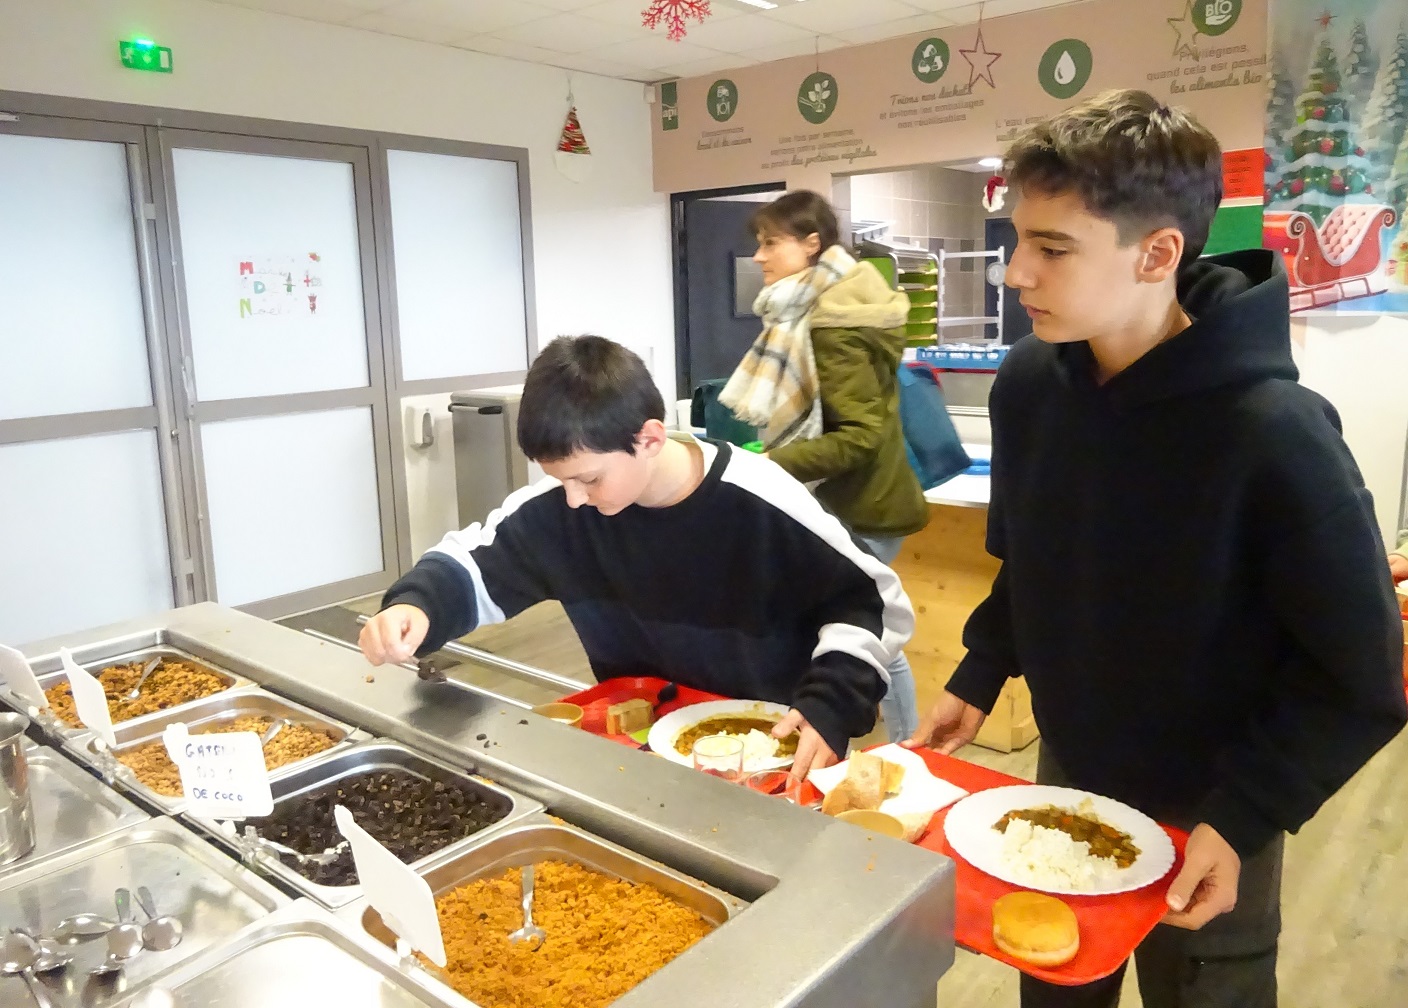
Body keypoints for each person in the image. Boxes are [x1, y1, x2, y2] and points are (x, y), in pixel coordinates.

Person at [905, 89, 1407, 1008]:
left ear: (1159, 253)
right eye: (1020, 239)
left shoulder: (1277, 434)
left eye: (1053, 248)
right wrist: (978, 674)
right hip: (1069, 775)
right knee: (1056, 990)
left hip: (1216, 806)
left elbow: (1359, 678)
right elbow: (1039, 563)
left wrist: (1245, 817)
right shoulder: (1028, 387)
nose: (1016, 273)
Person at [359, 334, 914, 779]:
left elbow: (870, 601)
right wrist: (418, 607)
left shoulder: (762, 501)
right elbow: (475, 564)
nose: (574, 498)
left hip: (771, 749)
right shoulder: (565, 508)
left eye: (589, 478)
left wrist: (833, 702)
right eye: (560, 480)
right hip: (643, 743)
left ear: (649, 439)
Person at [719, 189, 928, 743]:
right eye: (758, 244)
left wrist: (766, 465)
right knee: (862, 630)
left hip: (864, 504)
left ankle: (907, 750)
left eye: (771, 243)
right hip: (850, 500)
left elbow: (859, 436)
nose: (759, 256)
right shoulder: (808, 309)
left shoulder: (833, 320)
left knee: (873, 635)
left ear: (813, 244)